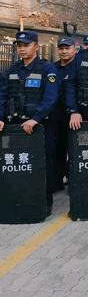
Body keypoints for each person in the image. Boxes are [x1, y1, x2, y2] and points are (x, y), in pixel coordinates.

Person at [0, 31, 59, 216]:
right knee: (18, 164)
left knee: (43, 163)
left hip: (39, 126)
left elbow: (51, 98)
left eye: (26, 45)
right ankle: (19, 200)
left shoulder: (47, 69)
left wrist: (36, 119)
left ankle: (44, 201)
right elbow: (2, 96)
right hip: (15, 127)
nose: (22, 49)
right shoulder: (11, 70)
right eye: (19, 46)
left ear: (36, 46)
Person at [53, 36, 77, 191]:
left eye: (67, 48)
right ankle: (57, 181)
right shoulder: (52, 68)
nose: (64, 51)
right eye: (61, 48)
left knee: (74, 149)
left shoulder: (80, 67)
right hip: (56, 115)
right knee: (57, 149)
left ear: (74, 49)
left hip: (74, 115)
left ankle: (73, 180)